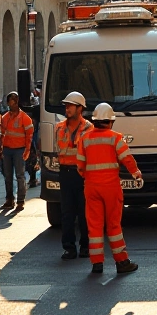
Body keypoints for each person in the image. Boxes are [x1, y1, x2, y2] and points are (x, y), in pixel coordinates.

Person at [77, 103, 143, 275]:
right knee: (113, 226)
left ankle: (97, 264)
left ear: (94, 120)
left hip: (91, 187)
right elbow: (127, 158)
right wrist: (136, 173)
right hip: (111, 187)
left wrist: (89, 178)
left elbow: (80, 165)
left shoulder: (85, 138)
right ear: (110, 121)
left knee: (94, 226)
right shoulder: (115, 138)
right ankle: (122, 262)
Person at [55, 91, 93, 260]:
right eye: (66, 105)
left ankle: (85, 246)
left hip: (82, 174)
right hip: (65, 173)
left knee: (84, 212)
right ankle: (69, 247)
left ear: (80, 108)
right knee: (67, 212)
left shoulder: (89, 128)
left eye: (70, 106)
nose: (67, 108)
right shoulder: (59, 127)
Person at [0, 91, 34, 212]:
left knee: (20, 175)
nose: (11, 105)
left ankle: (20, 200)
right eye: (10, 102)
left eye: (13, 102)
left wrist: (27, 150)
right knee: (7, 176)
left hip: (19, 150)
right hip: (7, 150)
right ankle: (9, 199)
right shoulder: (4, 118)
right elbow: (1, 134)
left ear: (17, 102)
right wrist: (0, 148)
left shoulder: (25, 118)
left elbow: (29, 136)